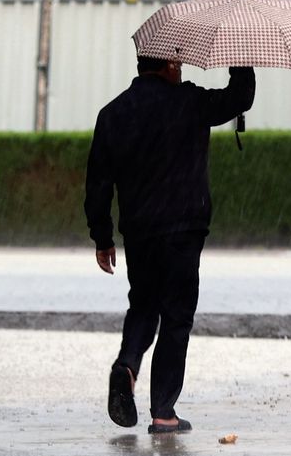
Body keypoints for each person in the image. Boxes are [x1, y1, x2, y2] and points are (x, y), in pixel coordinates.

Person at [84, 53, 255, 434]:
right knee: (176, 317)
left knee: (143, 306)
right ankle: (163, 412)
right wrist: (240, 60)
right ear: (170, 67)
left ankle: (127, 366)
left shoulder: (113, 113)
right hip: (183, 229)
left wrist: (102, 236)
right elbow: (239, 98)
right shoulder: (190, 102)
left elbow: (98, 182)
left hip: (139, 231)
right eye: (178, 64)